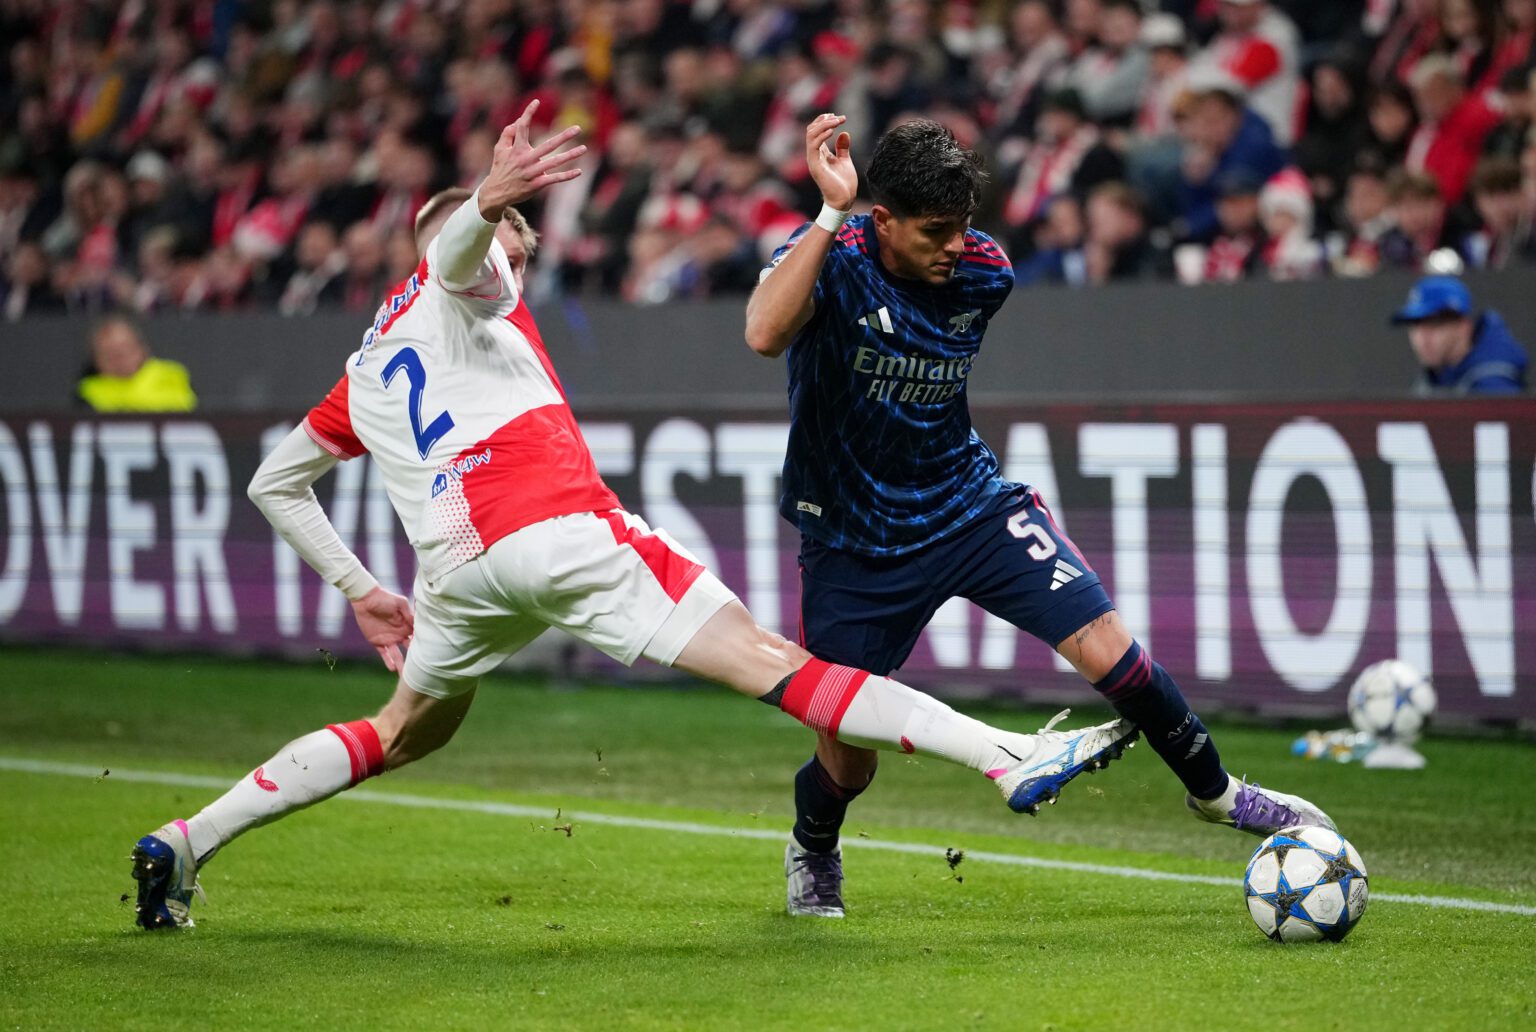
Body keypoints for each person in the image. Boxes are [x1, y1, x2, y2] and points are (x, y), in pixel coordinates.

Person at [127, 102, 1132, 931]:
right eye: (512, 233)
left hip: (457, 573)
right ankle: (1005, 754)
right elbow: (457, 258)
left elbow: (274, 482)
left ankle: (185, 842)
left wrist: (360, 591)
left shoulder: (365, 364)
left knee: (402, 733)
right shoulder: (468, 275)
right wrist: (486, 203)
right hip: (553, 529)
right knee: (779, 665)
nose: (519, 248)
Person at [745, 113, 1334, 920]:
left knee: (1111, 650)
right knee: (849, 765)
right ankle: (814, 845)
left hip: (969, 507)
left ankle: (1218, 794)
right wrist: (827, 211)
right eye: (934, 231)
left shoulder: (987, 274)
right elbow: (763, 332)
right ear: (881, 221)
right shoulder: (833, 258)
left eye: (963, 226)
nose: (955, 246)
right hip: (855, 543)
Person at [1392, 273, 1529, 395]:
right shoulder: (1437, 376)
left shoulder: (1492, 382)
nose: (1422, 338)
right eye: (1415, 325)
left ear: (1464, 327)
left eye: (1433, 325)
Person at [76, 315, 197, 412]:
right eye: (109, 353)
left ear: (142, 349)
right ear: (96, 360)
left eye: (124, 348)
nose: (118, 359)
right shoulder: (88, 392)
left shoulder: (174, 376)